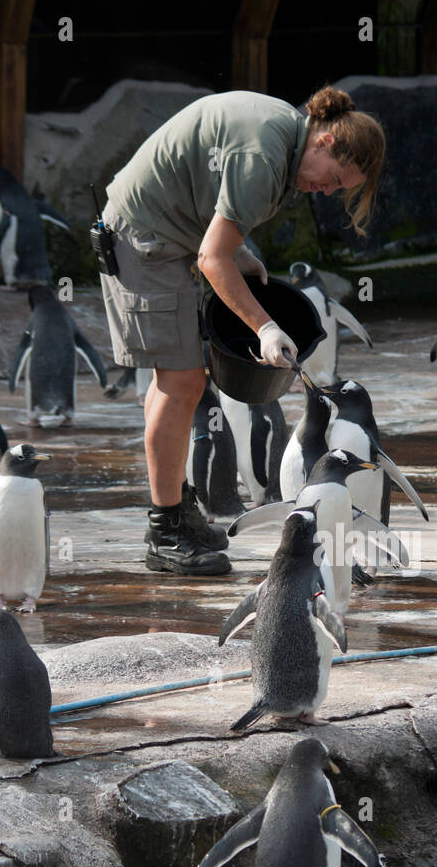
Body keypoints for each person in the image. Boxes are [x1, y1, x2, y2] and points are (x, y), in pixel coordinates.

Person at [99, 86, 385, 575]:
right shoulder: (266, 155)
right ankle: (165, 530)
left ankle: (175, 510)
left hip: (167, 233)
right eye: (335, 178)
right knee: (183, 381)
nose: (328, 191)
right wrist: (266, 327)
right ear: (327, 140)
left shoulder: (282, 132)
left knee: (177, 380)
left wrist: (241, 252)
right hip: (145, 239)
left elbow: (211, 203)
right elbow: (212, 258)